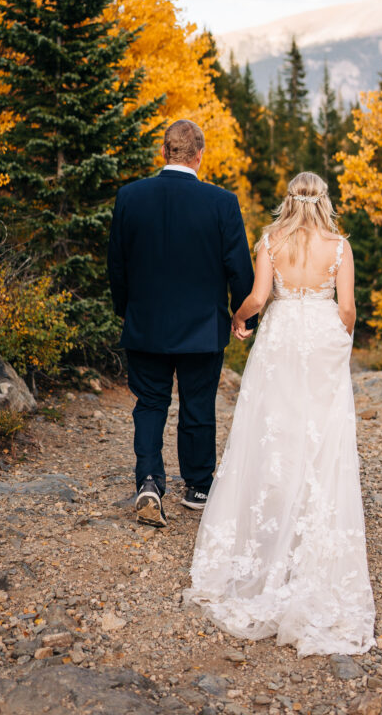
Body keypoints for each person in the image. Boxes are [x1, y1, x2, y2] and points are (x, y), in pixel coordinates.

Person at [184, 171, 376, 656]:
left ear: (287, 200)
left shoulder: (270, 239)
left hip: (282, 338)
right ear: (325, 200)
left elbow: (258, 296)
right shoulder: (340, 246)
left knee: (274, 434)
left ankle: (266, 540)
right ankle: (308, 542)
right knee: (322, 439)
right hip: (321, 340)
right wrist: (340, 340)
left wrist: (239, 318)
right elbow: (348, 307)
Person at [107, 119, 256, 528]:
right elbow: (238, 266)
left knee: (150, 402)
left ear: (164, 153)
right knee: (198, 403)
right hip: (202, 327)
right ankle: (198, 486)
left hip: (146, 323)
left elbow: (116, 266)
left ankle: (150, 482)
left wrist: (127, 309)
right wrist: (247, 316)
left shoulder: (129, 197)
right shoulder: (221, 202)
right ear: (199, 155)